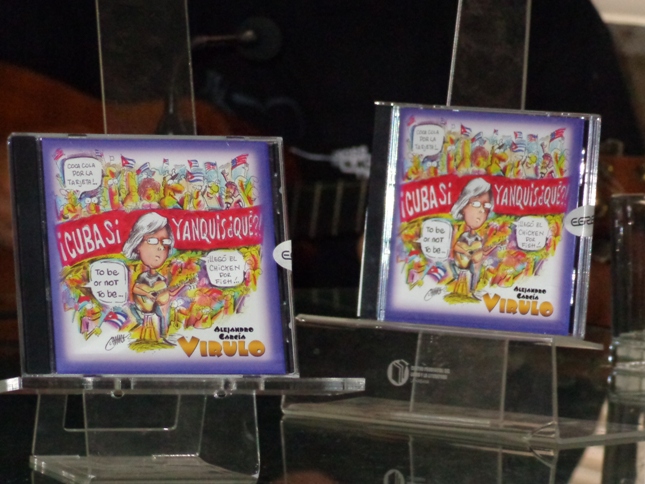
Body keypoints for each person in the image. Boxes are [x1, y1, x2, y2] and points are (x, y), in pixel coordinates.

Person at [122, 212, 179, 345]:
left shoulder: (160, 278)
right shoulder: (143, 276)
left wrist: (178, 289)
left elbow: (167, 293)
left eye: (165, 242)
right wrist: (148, 294)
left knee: (162, 315)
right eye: (152, 241)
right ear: (137, 245)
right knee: (132, 310)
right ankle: (139, 328)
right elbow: (135, 289)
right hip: (142, 305)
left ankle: (163, 336)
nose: (160, 247)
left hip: (153, 305)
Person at [449, 178, 495, 297]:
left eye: (486, 205)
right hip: (460, 266)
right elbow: (456, 247)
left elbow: (479, 254)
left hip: (470, 267)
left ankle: (472, 289)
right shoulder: (459, 232)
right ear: (463, 206)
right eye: (475, 204)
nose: (482, 210)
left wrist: (487, 249)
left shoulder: (479, 237)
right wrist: (466, 252)